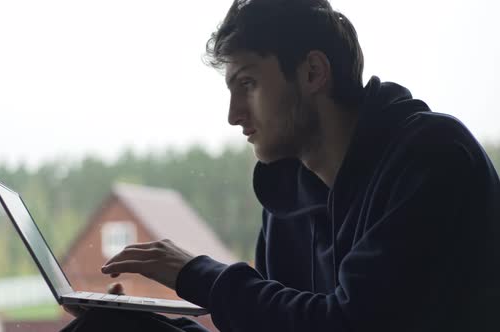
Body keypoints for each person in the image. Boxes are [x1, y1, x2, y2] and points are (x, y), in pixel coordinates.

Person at [63, 0, 500, 331]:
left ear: (313, 73)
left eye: (247, 83)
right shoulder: (287, 193)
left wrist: (196, 274)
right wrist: (142, 324)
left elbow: (352, 323)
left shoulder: (433, 158)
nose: (233, 114)